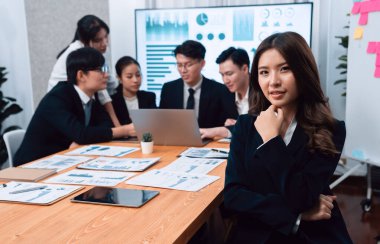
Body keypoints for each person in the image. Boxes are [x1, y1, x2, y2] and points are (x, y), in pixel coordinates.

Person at [224, 32, 352, 243]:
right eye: (264, 72)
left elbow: (301, 196)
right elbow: (234, 197)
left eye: (284, 69)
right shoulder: (245, 126)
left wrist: (272, 139)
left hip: (311, 236)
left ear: (303, 71)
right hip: (259, 235)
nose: (273, 81)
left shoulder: (330, 130)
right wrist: (297, 216)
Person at [14, 47, 136, 166]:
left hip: (64, 160)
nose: (106, 75)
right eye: (100, 70)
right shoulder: (57, 97)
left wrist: (83, 139)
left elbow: (103, 126)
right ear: (81, 75)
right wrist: (125, 130)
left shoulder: (93, 95)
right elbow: (81, 134)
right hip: (33, 165)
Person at [47, 15, 121, 127]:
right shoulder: (79, 54)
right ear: (85, 40)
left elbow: (110, 82)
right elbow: (102, 92)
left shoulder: (99, 52)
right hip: (64, 105)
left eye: (106, 37)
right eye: (98, 40)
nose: (105, 43)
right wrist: (119, 127)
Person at [159, 40, 238, 128]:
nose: (183, 70)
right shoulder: (169, 89)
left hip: (210, 141)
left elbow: (231, 124)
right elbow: (162, 123)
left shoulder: (220, 90)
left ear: (202, 64)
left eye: (188, 65)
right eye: (179, 65)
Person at [200, 47, 250, 139]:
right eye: (222, 75)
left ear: (245, 69)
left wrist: (234, 127)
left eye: (229, 74)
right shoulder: (224, 92)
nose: (225, 80)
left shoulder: (263, 91)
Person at [111, 56, 156, 125]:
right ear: (119, 78)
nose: (135, 80)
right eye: (129, 76)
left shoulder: (149, 97)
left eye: (138, 75)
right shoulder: (112, 101)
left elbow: (154, 124)